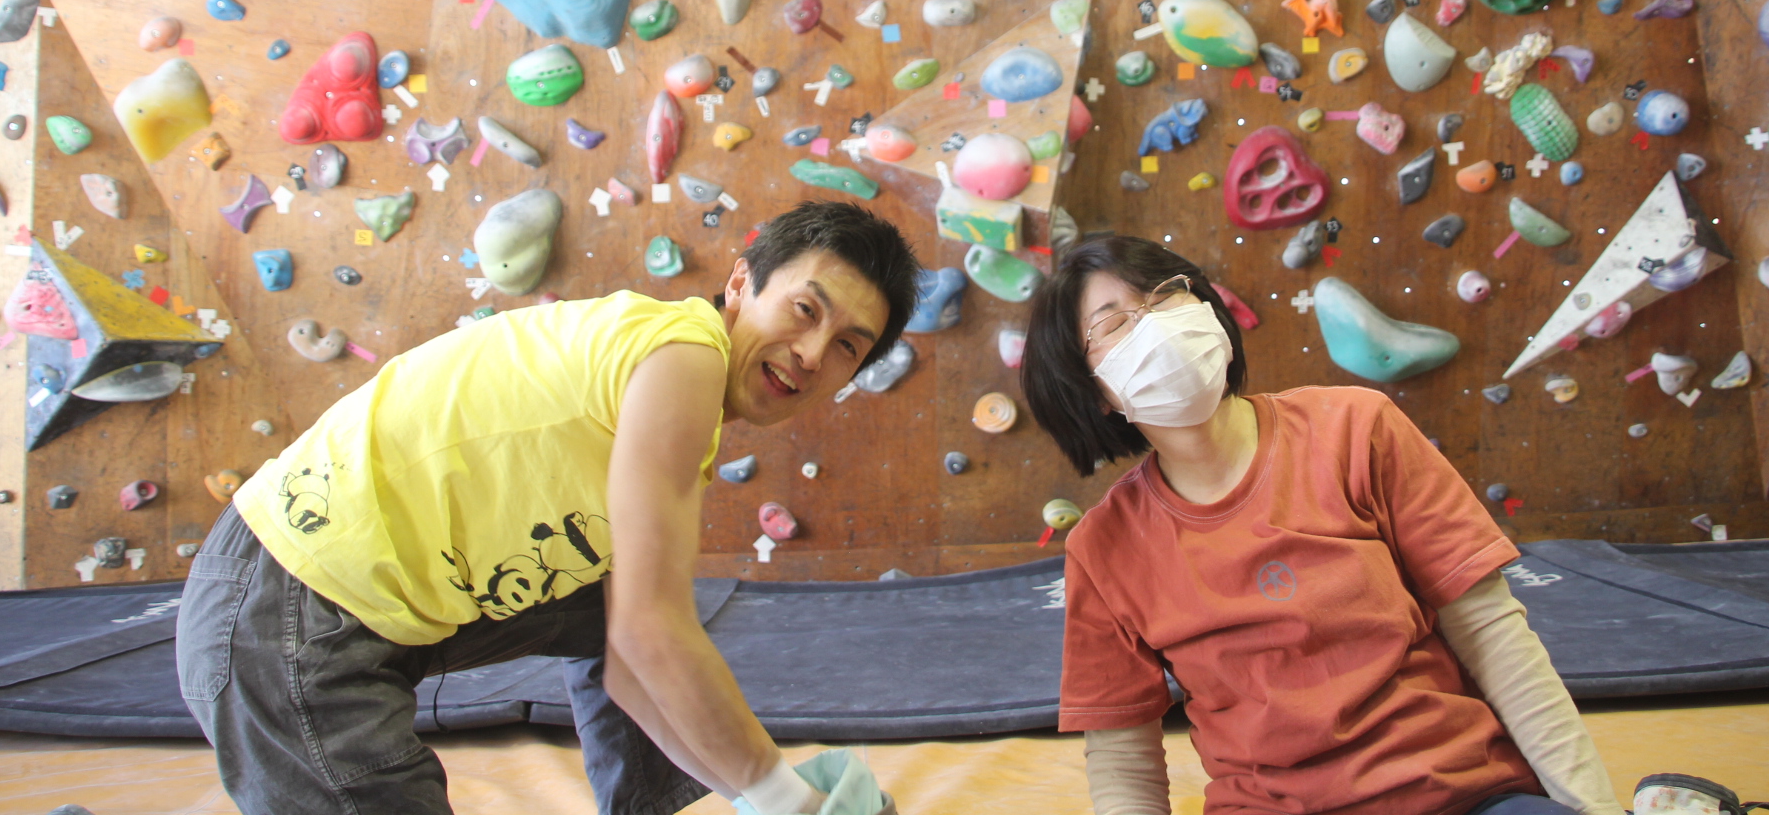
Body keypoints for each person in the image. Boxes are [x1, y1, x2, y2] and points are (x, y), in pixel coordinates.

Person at [177, 200, 920, 815]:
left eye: (848, 348)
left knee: (617, 597)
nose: (812, 353)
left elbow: (629, 658)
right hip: (284, 611)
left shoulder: (668, 385)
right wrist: (791, 799)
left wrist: (765, 797)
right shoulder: (684, 354)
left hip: (354, 607)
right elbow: (651, 632)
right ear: (739, 283)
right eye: (803, 309)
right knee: (651, 614)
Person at [1019, 235, 1623, 815]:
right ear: (1093, 393)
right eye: (1114, 323)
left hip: (1461, 794)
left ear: (1206, 309)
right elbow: (1124, 759)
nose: (1155, 324)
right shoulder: (1105, 547)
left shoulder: (1356, 429)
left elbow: (1492, 632)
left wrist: (1592, 806)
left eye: (1165, 295)